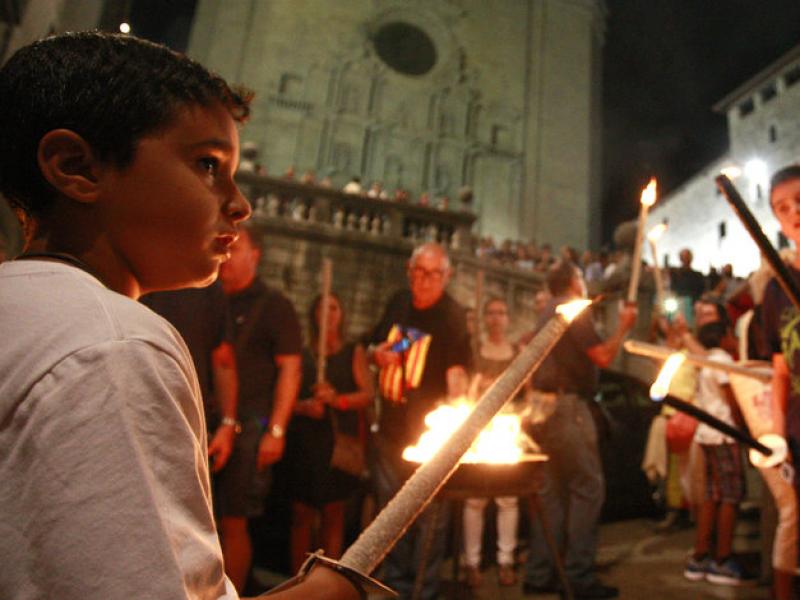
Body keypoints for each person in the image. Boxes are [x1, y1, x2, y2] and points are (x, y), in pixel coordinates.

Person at [0, 31, 359, 599]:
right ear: (77, 167)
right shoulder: (114, 344)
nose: (240, 204)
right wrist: (325, 594)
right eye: (208, 165)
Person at [523, 260, 636, 599]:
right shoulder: (574, 308)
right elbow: (601, 356)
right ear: (574, 282)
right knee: (588, 488)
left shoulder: (547, 310)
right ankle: (578, 577)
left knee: (552, 494)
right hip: (568, 407)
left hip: (543, 408)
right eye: (582, 280)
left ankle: (542, 572)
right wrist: (623, 327)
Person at [367, 242, 472, 600]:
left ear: (447, 277)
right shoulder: (398, 303)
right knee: (391, 513)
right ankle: (394, 586)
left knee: (429, 518)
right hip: (391, 428)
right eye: (418, 272)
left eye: (433, 274)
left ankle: (421, 592)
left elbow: (458, 374)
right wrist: (376, 354)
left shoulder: (452, 315)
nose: (424, 281)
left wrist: (456, 421)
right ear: (409, 272)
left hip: (428, 437)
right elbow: (373, 343)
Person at [218, 222, 303, 592]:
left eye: (235, 249)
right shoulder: (207, 297)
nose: (226, 257)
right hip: (208, 420)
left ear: (255, 255)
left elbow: (291, 370)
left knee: (233, 521)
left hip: (251, 428)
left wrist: (277, 431)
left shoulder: (274, 306)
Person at [140, 283, 244, 580]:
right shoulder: (201, 283)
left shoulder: (207, 288)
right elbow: (223, 359)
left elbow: (222, 358)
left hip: (182, 418)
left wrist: (226, 424)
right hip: (171, 416)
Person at [285, 292, 373, 572]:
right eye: (322, 308)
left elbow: (368, 394)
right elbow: (286, 393)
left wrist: (338, 400)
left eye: (334, 308)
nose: (329, 314)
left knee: (333, 511)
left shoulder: (352, 352)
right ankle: (298, 580)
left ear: (342, 314)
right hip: (306, 439)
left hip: (337, 442)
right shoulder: (302, 352)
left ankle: (325, 578)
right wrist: (303, 406)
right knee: (302, 512)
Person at [683, 322, 753, 586]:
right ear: (723, 338)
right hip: (724, 435)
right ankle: (723, 559)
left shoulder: (706, 362)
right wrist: (744, 431)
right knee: (730, 495)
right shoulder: (723, 361)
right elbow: (732, 401)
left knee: (712, 494)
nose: (734, 339)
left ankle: (701, 555)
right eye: (731, 334)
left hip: (706, 435)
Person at [761, 163, 800, 598]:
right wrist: (777, 436)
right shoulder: (776, 291)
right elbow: (781, 369)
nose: (794, 212)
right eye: (781, 207)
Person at [463, 297, 521, 588]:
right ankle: (472, 563)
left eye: (502, 312)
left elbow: (523, 391)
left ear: (508, 318)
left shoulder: (515, 352)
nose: (497, 318)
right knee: (475, 498)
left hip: (507, 427)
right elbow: (467, 391)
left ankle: (505, 560)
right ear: (486, 318)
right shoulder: (475, 352)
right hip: (480, 427)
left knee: (508, 497)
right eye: (492, 313)